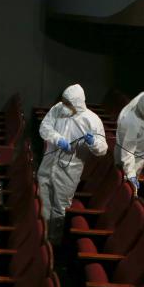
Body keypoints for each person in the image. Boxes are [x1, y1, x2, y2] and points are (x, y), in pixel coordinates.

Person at [37, 83, 107, 244]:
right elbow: (44, 127)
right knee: (44, 200)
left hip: (69, 170)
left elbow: (102, 149)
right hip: (48, 163)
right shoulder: (58, 109)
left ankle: (53, 242)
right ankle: (42, 236)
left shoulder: (92, 120)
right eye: (63, 101)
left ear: (77, 103)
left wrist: (92, 142)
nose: (64, 105)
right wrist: (57, 139)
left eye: (68, 103)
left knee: (60, 206)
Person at [114, 90, 144, 188]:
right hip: (130, 156)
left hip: (141, 152)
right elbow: (127, 152)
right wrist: (131, 174)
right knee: (125, 184)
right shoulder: (131, 122)